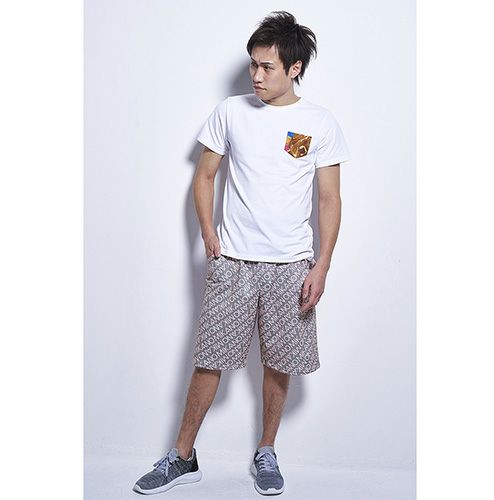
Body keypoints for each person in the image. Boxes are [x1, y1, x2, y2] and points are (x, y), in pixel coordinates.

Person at [133, 10, 350, 496]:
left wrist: (322, 265)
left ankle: (266, 451)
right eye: (253, 64)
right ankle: (182, 456)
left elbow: (329, 200)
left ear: (294, 68)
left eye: (267, 67)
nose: (256, 75)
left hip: (292, 265)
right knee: (209, 359)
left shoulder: (319, 122)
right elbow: (204, 176)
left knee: (279, 362)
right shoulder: (230, 112)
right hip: (233, 262)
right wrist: (207, 232)